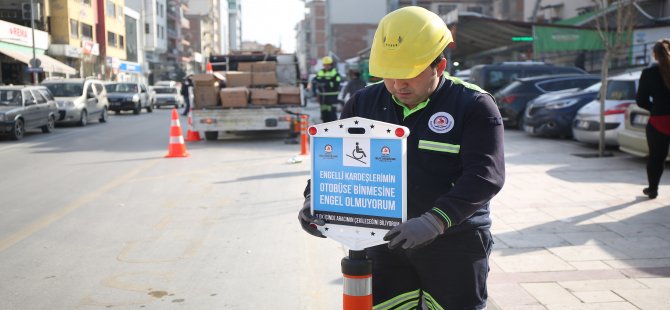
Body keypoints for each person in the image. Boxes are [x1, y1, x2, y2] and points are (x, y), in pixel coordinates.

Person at [298, 6, 505, 309]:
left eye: (409, 75)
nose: (398, 86)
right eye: (390, 76)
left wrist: (436, 220)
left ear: (440, 66)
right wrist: (314, 201)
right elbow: (333, 162)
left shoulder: (474, 105)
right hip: (384, 243)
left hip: (454, 243)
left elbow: (485, 175)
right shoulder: (364, 102)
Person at [636, 39, 670, 199]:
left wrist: (655, 109)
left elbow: (641, 100)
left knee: (656, 158)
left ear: (655, 55)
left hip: (659, 122)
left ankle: (653, 189)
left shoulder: (649, 73)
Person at [312, 56, 341, 123]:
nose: (326, 66)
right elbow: (315, 80)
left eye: (328, 65)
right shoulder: (320, 72)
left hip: (332, 97)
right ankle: (325, 127)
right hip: (323, 96)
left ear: (331, 65)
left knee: (332, 113)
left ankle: (334, 128)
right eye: (325, 65)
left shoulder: (335, 73)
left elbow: (336, 83)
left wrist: (325, 82)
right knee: (324, 113)